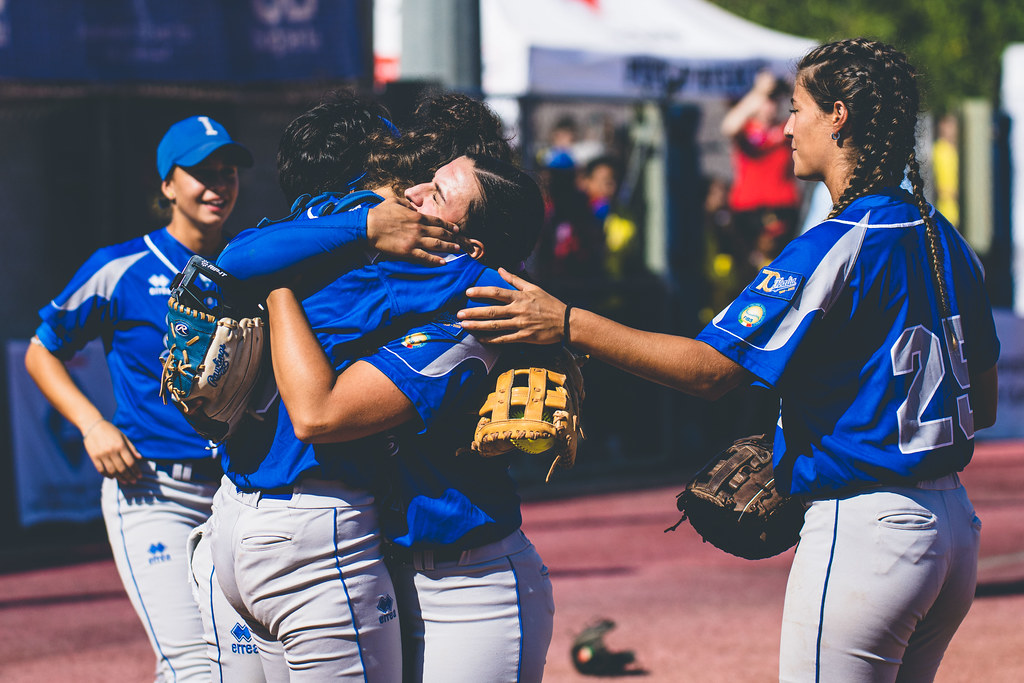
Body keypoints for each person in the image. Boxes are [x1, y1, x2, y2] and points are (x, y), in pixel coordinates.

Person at [458, 38, 999, 683]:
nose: (786, 127)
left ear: (839, 117)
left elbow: (709, 371)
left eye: (798, 109)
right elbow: (983, 404)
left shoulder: (835, 246)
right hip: (954, 531)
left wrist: (569, 322)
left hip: (869, 533)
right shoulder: (946, 241)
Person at [208, 93, 553, 681]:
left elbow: (318, 409)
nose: (410, 198)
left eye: (433, 191)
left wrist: (565, 332)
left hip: (471, 579)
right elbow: (238, 256)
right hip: (380, 562)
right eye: (414, 183)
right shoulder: (357, 237)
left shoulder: (459, 282)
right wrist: (360, 225)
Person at [24, 115, 254, 682]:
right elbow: (40, 350)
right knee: (195, 666)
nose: (218, 185)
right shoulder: (120, 267)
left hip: (241, 491)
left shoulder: (253, 262)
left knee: (246, 666)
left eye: (228, 172)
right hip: (154, 491)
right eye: (201, 172)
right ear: (167, 184)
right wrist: (92, 425)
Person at [721, 68, 802, 277]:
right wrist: (759, 92)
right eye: (768, 100)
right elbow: (728, 126)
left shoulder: (786, 128)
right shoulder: (745, 129)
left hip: (782, 207)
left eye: (775, 100)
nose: (771, 105)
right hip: (747, 210)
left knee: (780, 266)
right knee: (748, 268)